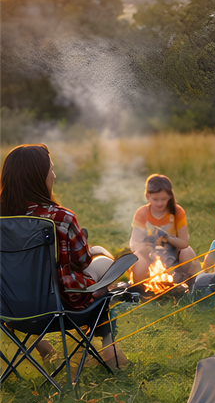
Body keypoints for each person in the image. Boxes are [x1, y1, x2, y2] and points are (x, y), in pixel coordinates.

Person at [0, 143, 127, 370]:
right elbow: (82, 262)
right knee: (105, 264)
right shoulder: (60, 217)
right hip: (57, 308)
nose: (54, 175)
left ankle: (42, 347)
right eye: (51, 169)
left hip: (8, 309)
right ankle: (109, 348)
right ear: (38, 177)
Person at [129, 174, 198, 288]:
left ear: (170, 196)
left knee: (187, 251)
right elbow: (134, 243)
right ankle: (141, 288)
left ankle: (190, 284)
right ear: (147, 196)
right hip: (149, 256)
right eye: (155, 199)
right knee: (137, 257)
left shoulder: (178, 212)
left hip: (173, 255)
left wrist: (168, 238)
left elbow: (184, 243)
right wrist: (146, 250)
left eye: (164, 199)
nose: (159, 203)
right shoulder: (142, 213)